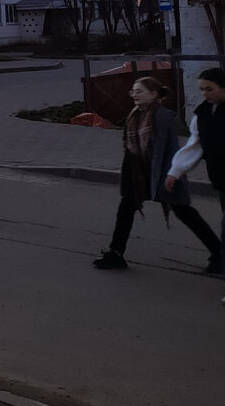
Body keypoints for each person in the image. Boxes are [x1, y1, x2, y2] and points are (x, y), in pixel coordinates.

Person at [93, 76, 222, 271]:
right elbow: (132, 147)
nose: (135, 95)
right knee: (126, 209)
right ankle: (116, 253)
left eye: (140, 91)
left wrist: (170, 175)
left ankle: (218, 253)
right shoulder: (135, 114)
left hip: (164, 172)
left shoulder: (161, 116)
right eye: (133, 91)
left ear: (153, 94)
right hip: (139, 173)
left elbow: (161, 150)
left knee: (185, 212)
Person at [163, 67, 225, 280]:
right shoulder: (203, 113)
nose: (205, 94)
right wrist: (175, 171)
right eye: (202, 90)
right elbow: (195, 145)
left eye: (210, 89)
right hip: (221, 178)